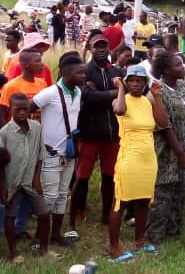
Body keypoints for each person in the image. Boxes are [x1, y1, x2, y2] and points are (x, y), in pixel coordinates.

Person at [107, 65, 170, 262]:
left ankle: (139, 242)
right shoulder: (120, 100)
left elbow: (163, 122)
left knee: (143, 201)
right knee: (120, 202)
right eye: (132, 80)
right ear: (127, 82)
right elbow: (119, 110)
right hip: (129, 158)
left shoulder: (147, 102)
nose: (136, 84)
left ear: (145, 83)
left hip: (148, 159)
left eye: (140, 81)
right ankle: (114, 248)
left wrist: (157, 97)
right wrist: (120, 88)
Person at [149, 50, 185, 244]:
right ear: (166, 70)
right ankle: (155, 235)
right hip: (168, 150)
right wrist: (181, 154)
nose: (182, 67)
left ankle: (174, 232)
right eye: (177, 65)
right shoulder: (158, 92)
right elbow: (165, 127)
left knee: (180, 191)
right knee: (163, 192)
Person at [68, 35, 124, 236]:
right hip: (89, 134)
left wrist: (110, 92)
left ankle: (105, 216)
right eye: (97, 46)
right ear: (90, 49)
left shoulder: (116, 71)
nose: (101, 50)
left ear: (109, 48)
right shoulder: (85, 71)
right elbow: (89, 97)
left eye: (104, 46)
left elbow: (126, 93)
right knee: (82, 177)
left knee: (109, 177)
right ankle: (74, 216)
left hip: (112, 135)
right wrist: (115, 92)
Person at [32, 53, 86, 247]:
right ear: (66, 73)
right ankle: (39, 236)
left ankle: (55, 233)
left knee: (63, 194)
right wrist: (38, 138)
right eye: (80, 73)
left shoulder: (78, 92)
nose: (84, 76)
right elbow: (28, 108)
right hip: (51, 153)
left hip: (69, 153)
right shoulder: (50, 93)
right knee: (50, 196)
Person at [0, 93, 50, 260]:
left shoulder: (37, 127)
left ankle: (44, 249)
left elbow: (40, 154)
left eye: (25, 109)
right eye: (17, 109)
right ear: (10, 110)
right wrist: (3, 187)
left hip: (30, 181)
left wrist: (37, 179)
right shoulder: (5, 133)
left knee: (44, 212)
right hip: (12, 181)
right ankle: (13, 252)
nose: (22, 113)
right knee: (10, 214)